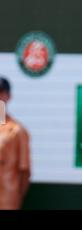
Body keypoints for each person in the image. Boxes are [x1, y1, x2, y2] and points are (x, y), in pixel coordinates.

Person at [0, 78, 31, 210]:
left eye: (1, 92)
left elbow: (24, 171)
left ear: (8, 96)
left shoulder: (17, 131)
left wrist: (14, 197)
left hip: (6, 200)